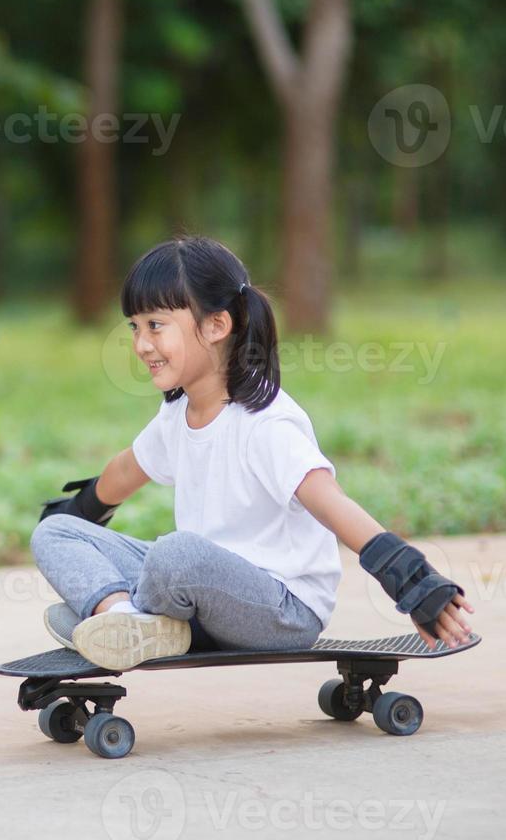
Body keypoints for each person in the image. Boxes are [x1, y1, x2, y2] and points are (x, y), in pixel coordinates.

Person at [32, 235, 475, 671]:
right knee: (55, 532)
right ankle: (122, 619)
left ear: (216, 325)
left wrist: (412, 581)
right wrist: (81, 516)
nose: (141, 344)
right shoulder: (179, 412)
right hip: (204, 589)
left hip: (281, 607)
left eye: (156, 325)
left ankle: (117, 617)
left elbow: (333, 504)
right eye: (134, 326)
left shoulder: (265, 422)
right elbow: (127, 469)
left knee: (177, 555)